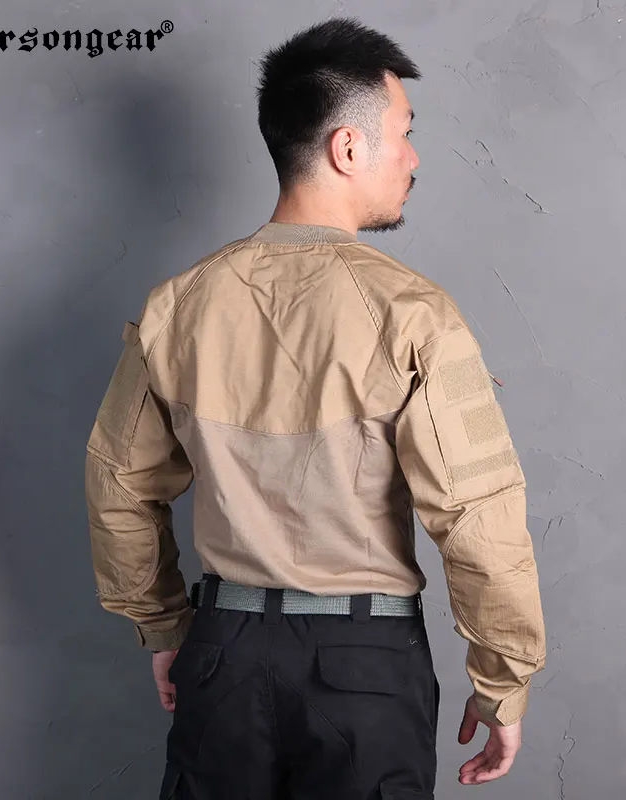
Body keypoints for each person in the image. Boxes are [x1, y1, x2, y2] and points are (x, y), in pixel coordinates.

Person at [84, 16, 546, 800]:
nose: (413, 157)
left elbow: (117, 485)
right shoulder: (414, 314)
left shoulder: (178, 306)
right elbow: (478, 516)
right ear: (347, 147)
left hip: (222, 656)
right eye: (405, 133)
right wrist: (502, 682)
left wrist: (164, 628)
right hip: (366, 670)